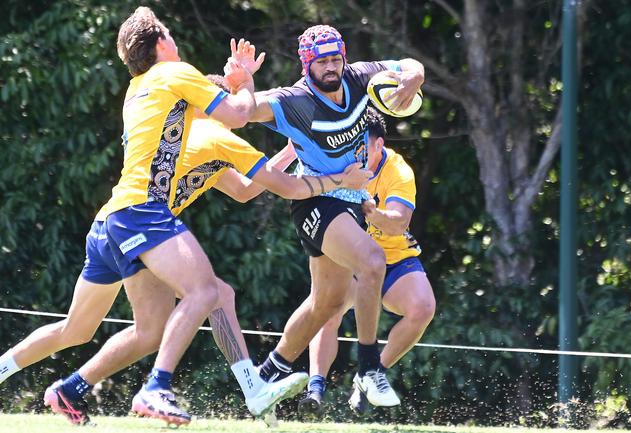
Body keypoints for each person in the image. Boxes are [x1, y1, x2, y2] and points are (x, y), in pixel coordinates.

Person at [0, 7, 370, 426]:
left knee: (102, 329)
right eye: (171, 36)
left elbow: (244, 188)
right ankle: (159, 388)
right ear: (161, 43)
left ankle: (67, 387)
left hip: (113, 220)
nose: (176, 43)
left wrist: (279, 139)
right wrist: (245, 86)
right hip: (143, 214)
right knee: (205, 293)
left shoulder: (142, 89)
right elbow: (239, 120)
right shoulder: (201, 114)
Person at [246, 24, 425, 408]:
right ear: (306, 64)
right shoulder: (295, 100)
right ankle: (369, 367)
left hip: (350, 200)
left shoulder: (360, 77)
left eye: (335, 59)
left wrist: (414, 76)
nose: (331, 68)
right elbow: (243, 111)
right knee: (373, 260)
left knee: (326, 302)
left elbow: (408, 64)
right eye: (322, 61)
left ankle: (264, 378)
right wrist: (242, 82)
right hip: (317, 198)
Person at [297, 107, 436, 417]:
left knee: (423, 308)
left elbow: (399, 223)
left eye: (363, 148)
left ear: (379, 145)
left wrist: (372, 211)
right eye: (352, 147)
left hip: (392, 257)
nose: (356, 155)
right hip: (348, 260)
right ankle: (315, 389)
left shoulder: (399, 172)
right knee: (327, 308)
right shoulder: (338, 161)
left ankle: (370, 374)